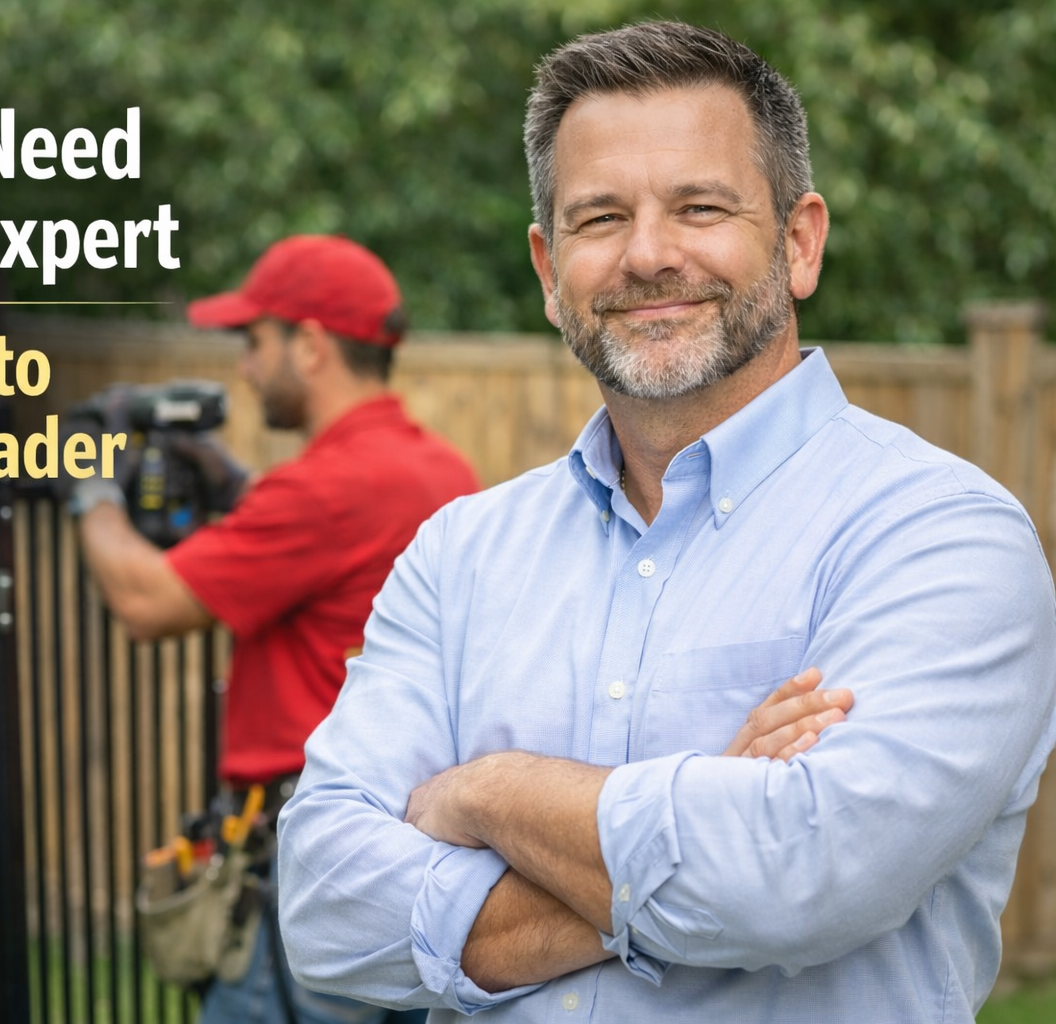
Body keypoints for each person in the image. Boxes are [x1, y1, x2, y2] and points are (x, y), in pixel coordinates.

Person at [276, 20, 1056, 1024]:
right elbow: (324, 907)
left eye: (700, 207)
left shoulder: (940, 538)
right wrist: (711, 804)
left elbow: (801, 874)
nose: (649, 255)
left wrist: (492, 794)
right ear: (549, 269)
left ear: (800, 240)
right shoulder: (460, 554)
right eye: (599, 217)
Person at [66, 234, 480, 1024]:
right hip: (414, 840)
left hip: (318, 848)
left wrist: (92, 487)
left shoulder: (319, 489)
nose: (247, 369)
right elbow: (329, 547)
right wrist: (236, 487)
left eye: (255, 342)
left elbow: (145, 602)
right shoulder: (439, 469)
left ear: (312, 344)